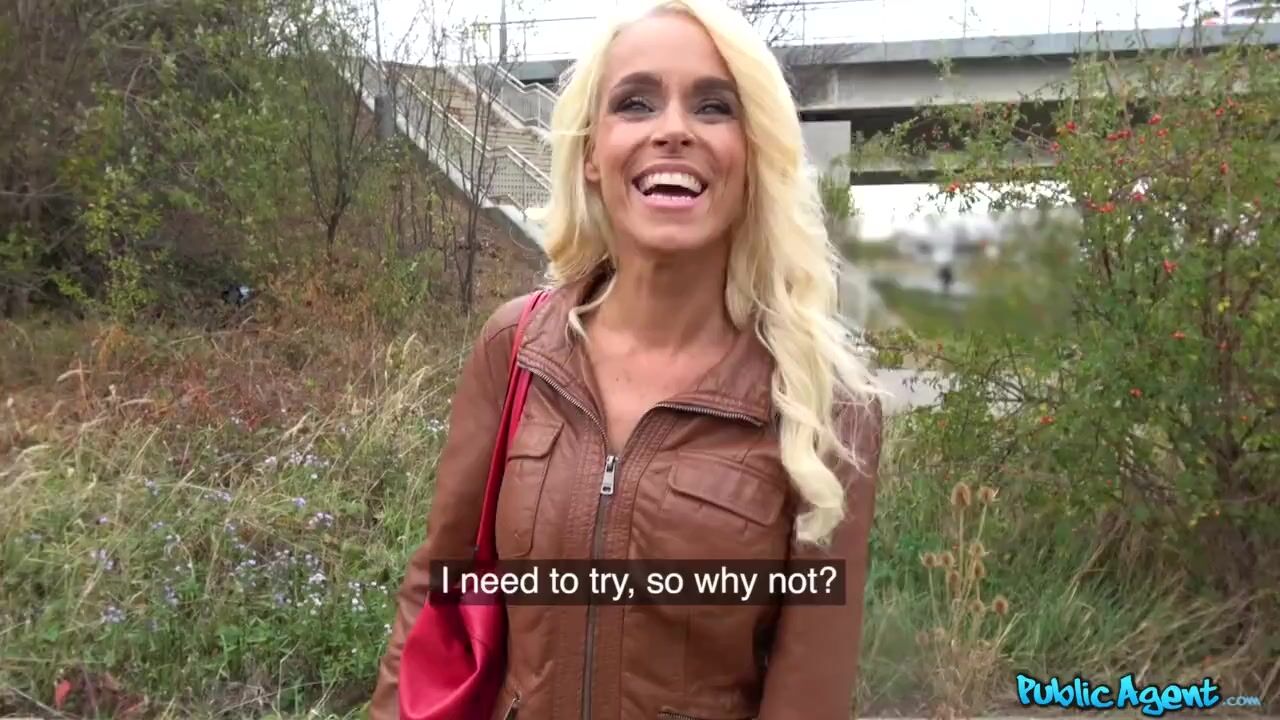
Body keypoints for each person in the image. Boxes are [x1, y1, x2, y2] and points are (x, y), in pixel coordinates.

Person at [371, 1, 886, 718]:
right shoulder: (515, 347)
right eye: (635, 103)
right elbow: (438, 587)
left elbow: (810, 696)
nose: (673, 129)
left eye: (714, 107)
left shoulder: (824, 402)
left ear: (754, 153)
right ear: (591, 152)